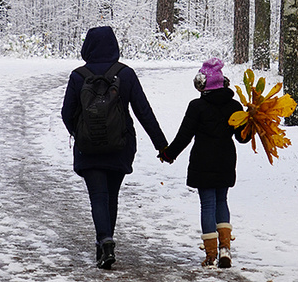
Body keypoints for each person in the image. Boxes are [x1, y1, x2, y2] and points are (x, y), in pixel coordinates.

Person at [61, 26, 168, 269]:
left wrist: (80, 133)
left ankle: (105, 242)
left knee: (98, 196)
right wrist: (161, 145)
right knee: (112, 195)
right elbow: (143, 111)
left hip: (88, 148)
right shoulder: (126, 74)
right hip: (120, 145)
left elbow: (66, 113)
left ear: (87, 47)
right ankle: (106, 242)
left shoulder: (78, 76)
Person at [158, 58, 249, 268]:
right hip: (226, 159)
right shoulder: (234, 106)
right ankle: (225, 249)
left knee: (207, 204)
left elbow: (184, 136)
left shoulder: (197, 106)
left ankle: (210, 255)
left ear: (202, 84)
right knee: (222, 201)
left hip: (203, 160)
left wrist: (168, 154)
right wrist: (251, 124)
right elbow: (242, 138)